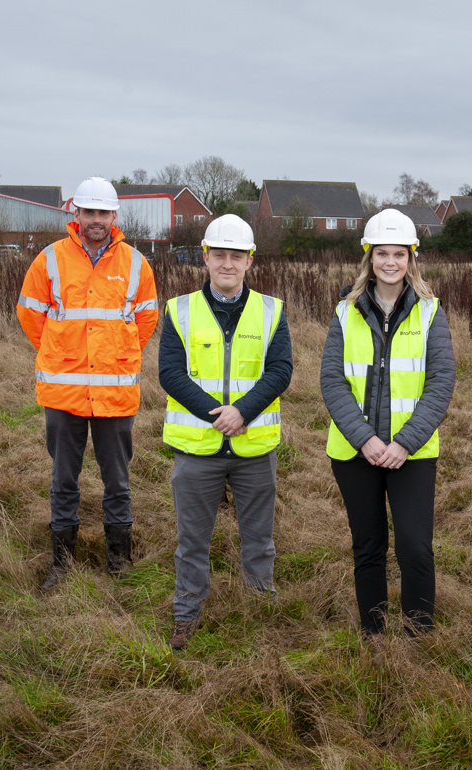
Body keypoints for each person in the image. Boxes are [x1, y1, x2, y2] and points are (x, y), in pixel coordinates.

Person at [158, 214, 293, 651]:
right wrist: (219, 415)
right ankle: (186, 615)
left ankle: (260, 611)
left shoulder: (271, 311)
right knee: (191, 541)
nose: (228, 264)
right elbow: (170, 374)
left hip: (254, 448)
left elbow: (280, 371)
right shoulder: (179, 310)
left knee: (259, 539)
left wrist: (243, 413)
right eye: (220, 255)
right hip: (197, 448)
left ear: (250, 260)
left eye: (237, 256)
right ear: (206, 257)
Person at [16, 177, 158, 590]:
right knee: (64, 479)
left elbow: (146, 320)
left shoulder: (135, 263)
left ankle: (119, 560)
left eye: (103, 213)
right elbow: (30, 315)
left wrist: (117, 354)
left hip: (115, 393)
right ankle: (60, 564)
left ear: (115, 216)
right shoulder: (50, 260)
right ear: (74, 214)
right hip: (64, 392)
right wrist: (61, 352)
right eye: (88, 212)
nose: (95, 220)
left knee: (118, 481)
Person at [320, 209, 455, 637]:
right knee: (369, 547)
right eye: (382, 253)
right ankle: (374, 635)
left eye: (399, 253)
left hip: (411, 454)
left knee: (415, 547)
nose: (390, 262)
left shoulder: (430, 312)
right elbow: (332, 380)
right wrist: (365, 440)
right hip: (354, 452)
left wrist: (403, 443)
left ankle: (418, 635)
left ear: (412, 258)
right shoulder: (345, 312)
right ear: (369, 257)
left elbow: (441, 381)